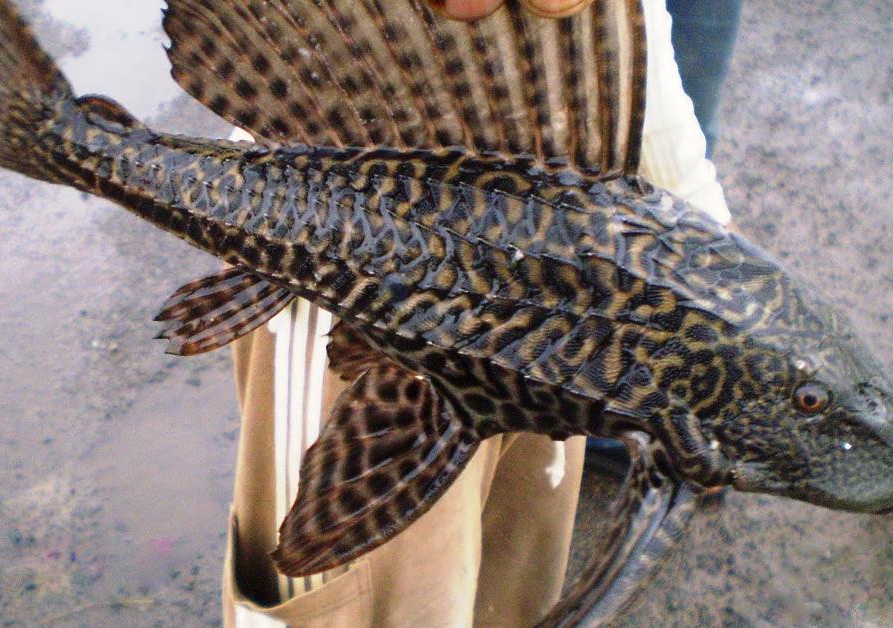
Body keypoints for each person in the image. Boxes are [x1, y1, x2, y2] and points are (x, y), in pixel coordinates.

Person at [224, 1, 734, 626]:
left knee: (513, 565)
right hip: (338, 218)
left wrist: (682, 182)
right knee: (366, 594)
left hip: (576, 236)